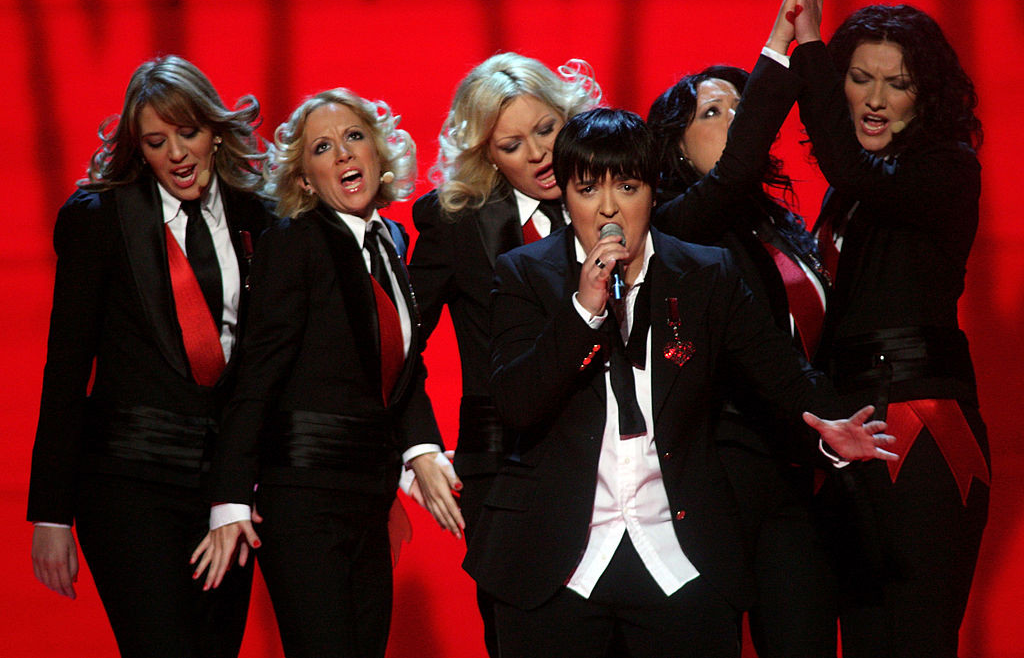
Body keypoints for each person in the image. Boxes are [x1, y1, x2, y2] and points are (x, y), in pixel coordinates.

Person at [463, 107, 897, 658]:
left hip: (679, 556)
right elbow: (517, 403)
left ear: (651, 192)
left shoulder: (707, 273)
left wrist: (829, 430)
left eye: (627, 187)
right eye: (588, 189)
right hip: (555, 561)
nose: (608, 208)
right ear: (566, 198)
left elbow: (782, 377)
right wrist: (583, 312)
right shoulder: (524, 273)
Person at [189, 88, 463, 658]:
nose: (343, 153)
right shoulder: (295, 243)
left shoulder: (390, 239)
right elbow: (256, 375)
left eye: (354, 137)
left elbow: (397, 362)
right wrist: (229, 499)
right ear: (306, 181)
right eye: (322, 147)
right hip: (305, 502)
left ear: (379, 155)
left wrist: (420, 451)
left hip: (367, 495)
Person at [27, 55, 274, 657]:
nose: (177, 154)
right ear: (139, 149)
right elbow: (65, 369)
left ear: (215, 131)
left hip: (223, 490)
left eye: (188, 133)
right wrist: (52, 515)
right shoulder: (100, 220)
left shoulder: (259, 217)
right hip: (127, 485)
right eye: (157, 142)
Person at [782, 0, 990, 658]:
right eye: (859, 78)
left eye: (897, 84)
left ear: (925, 97)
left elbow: (851, 165)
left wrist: (808, 46)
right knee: (864, 634)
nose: (874, 99)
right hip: (849, 419)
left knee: (912, 636)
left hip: (917, 422)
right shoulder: (847, 195)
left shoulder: (947, 167)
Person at [645, 0, 836, 654]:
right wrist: (781, 50)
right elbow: (728, 179)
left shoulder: (779, 226)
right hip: (720, 467)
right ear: (675, 145)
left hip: (795, 463)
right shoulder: (676, 224)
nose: (734, 117)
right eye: (713, 110)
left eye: (740, 106)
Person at [408, 52, 601, 656]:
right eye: (513, 145)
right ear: (488, 156)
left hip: (615, 462)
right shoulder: (455, 224)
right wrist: (418, 447)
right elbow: (396, 343)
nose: (539, 154)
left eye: (547, 130)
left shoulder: (617, 200)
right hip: (504, 470)